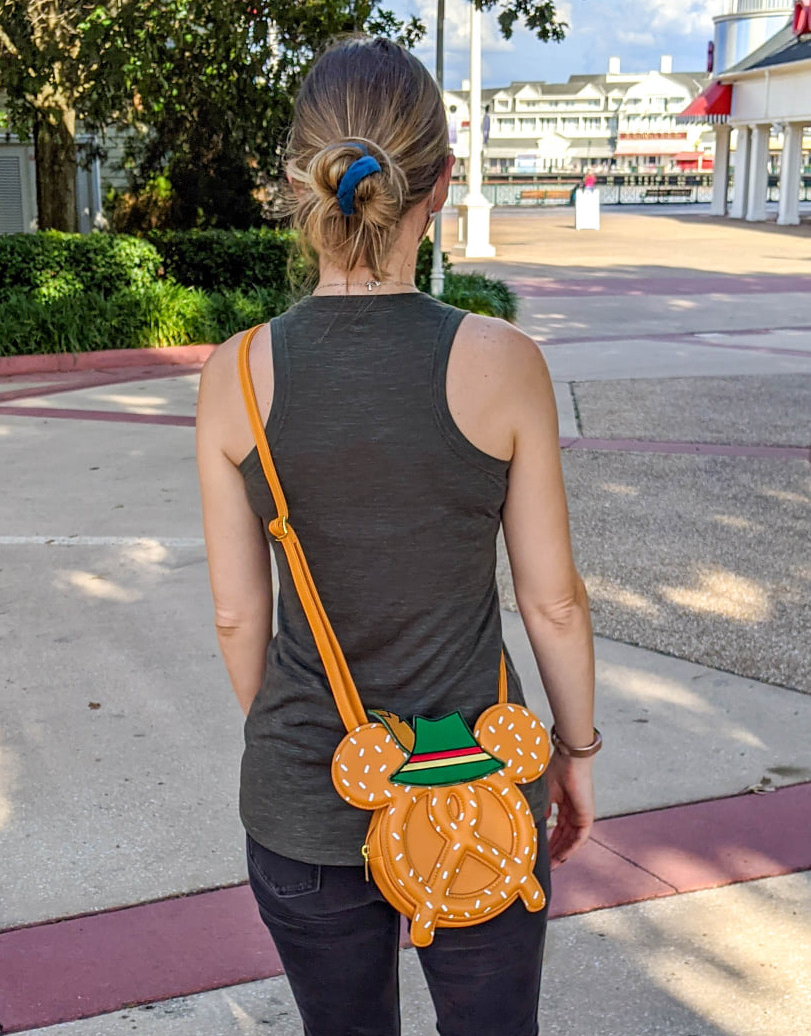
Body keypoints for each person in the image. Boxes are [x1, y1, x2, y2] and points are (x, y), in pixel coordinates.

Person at [196, 34, 597, 1036]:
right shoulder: (501, 363)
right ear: (441, 184)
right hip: (483, 785)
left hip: (301, 805)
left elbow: (238, 615)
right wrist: (574, 749)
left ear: (296, 184)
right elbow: (551, 600)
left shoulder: (234, 376)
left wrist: (301, 750)